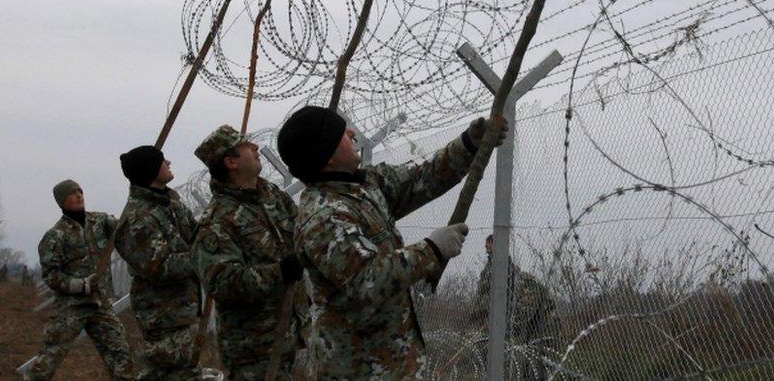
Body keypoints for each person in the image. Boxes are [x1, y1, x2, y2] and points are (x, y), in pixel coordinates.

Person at [277, 106, 506, 378]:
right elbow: (367, 278)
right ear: (326, 157)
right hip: (357, 368)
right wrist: (432, 249)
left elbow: (424, 177)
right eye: (341, 133)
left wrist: (469, 144)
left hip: (395, 361)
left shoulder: (365, 186)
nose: (351, 133)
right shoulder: (322, 218)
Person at [191, 125, 306, 379]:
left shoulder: (272, 196)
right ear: (231, 162)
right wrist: (280, 272)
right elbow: (222, 283)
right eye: (246, 146)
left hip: (288, 331)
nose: (256, 148)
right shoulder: (218, 220)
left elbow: (300, 233)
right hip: (253, 348)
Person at [26, 180, 134, 380]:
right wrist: (79, 285)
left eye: (80, 191)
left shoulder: (101, 222)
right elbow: (51, 275)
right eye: (72, 193)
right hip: (71, 307)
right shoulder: (55, 236)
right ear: (61, 201)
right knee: (49, 359)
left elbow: (125, 229)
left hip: (100, 304)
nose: (78, 195)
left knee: (120, 356)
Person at [115, 145, 201, 380]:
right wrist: (203, 259)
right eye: (163, 161)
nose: (169, 163)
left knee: (178, 371)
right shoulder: (138, 219)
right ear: (151, 170)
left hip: (182, 307)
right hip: (162, 314)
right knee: (167, 371)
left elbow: (196, 235)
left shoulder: (170, 205)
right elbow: (160, 267)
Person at [475, 234, 558, 378]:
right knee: (527, 366)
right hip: (533, 329)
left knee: (538, 368)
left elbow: (520, 319)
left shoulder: (526, 286)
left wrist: (499, 330)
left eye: (490, 246)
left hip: (547, 328)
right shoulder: (495, 273)